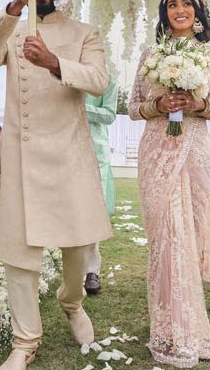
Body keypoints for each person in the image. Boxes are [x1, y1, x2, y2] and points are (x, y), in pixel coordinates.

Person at [0, 0, 111, 370]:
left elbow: (99, 80)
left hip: (69, 154)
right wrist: (15, 7)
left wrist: (53, 62)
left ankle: (71, 302)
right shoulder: (11, 28)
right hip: (19, 154)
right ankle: (25, 341)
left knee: (78, 249)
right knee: (20, 254)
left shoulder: (85, 33)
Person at [129, 0, 210, 367]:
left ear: (198, 10)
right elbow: (133, 107)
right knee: (164, 239)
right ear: (164, 13)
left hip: (191, 150)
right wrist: (159, 104)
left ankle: (185, 333)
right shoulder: (150, 56)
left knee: (182, 238)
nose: (179, 9)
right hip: (156, 149)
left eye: (186, 2)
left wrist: (198, 103)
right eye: (172, 4)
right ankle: (166, 327)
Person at [84, 77, 118, 295]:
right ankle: (71, 271)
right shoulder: (60, 72)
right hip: (62, 149)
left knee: (91, 214)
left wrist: (80, 107)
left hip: (95, 152)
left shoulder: (107, 81)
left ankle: (90, 272)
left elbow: (109, 114)